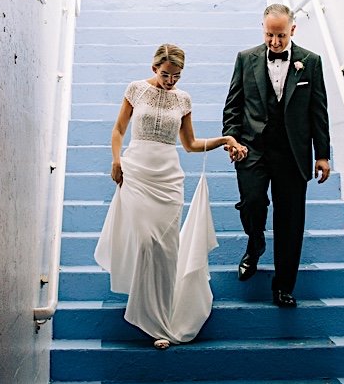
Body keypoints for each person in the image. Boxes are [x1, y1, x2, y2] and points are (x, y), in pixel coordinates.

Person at [96, 44, 248, 347]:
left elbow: (190, 144)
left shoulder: (184, 99)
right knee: (146, 242)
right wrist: (116, 159)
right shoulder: (136, 90)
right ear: (154, 69)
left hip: (168, 180)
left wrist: (225, 139)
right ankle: (147, 315)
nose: (171, 81)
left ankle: (162, 323)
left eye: (176, 76)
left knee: (165, 251)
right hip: (137, 172)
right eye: (166, 75)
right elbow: (118, 130)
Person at [222, 4, 331, 308]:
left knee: (290, 220)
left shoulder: (310, 61)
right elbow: (233, 105)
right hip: (252, 147)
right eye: (270, 34)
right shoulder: (246, 59)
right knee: (253, 202)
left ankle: (283, 286)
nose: (275, 42)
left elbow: (318, 110)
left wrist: (322, 154)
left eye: (281, 35)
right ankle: (255, 243)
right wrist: (232, 140)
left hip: (293, 152)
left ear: (292, 30)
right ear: (263, 29)